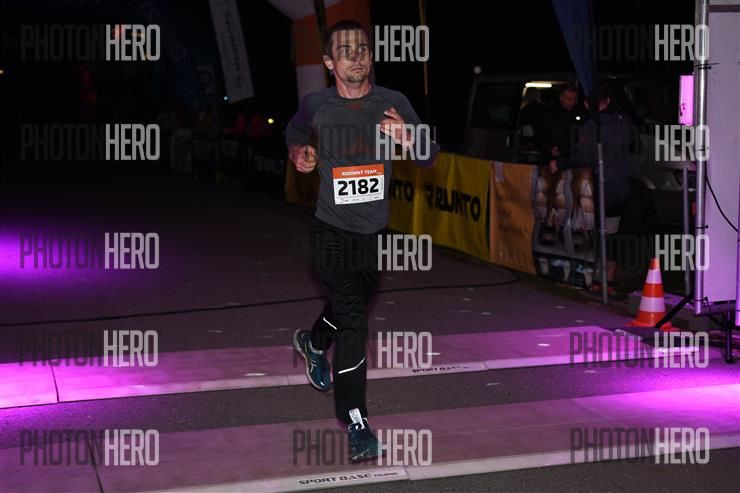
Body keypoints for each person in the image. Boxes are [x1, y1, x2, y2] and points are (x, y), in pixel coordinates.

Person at [286, 20, 438, 462]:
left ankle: (314, 342)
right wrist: (299, 153)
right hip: (330, 230)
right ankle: (356, 421)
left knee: (351, 302)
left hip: (374, 234)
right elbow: (294, 131)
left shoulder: (394, 102)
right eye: (345, 51)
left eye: (363, 49)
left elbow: (429, 156)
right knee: (354, 319)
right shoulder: (316, 104)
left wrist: (409, 137)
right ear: (329, 62)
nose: (356, 57)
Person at [550, 84, 632, 293]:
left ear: (587, 104)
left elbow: (586, 158)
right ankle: (608, 281)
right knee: (612, 233)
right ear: (608, 100)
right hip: (622, 185)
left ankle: (593, 278)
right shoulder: (623, 120)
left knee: (597, 232)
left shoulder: (592, 125)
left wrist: (560, 163)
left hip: (602, 187)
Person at [536, 83, 582, 166]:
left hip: (573, 160)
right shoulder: (548, 113)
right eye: (568, 99)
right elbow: (539, 136)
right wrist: (549, 149)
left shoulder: (579, 113)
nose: (572, 102)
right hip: (551, 161)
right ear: (560, 98)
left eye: (574, 99)